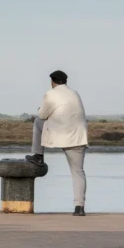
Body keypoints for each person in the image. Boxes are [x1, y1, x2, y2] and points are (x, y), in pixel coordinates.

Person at [25, 70, 88, 216]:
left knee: (37, 121)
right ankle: (79, 207)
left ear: (52, 82)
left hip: (59, 133)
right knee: (78, 172)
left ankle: (38, 156)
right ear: (65, 81)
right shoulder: (75, 93)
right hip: (78, 136)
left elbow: (43, 114)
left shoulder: (51, 94)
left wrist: (40, 110)